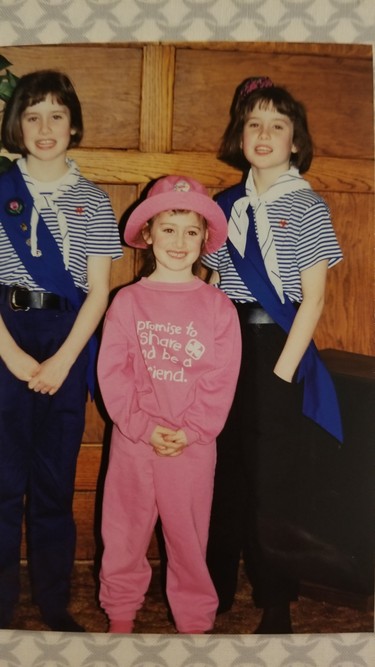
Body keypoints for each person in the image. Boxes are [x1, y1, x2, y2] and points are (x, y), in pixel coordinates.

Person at [203, 76, 343, 634]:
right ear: (239, 136)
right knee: (223, 469)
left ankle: (276, 597)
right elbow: (213, 283)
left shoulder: (306, 207)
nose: (263, 134)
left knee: (272, 477)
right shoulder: (224, 205)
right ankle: (213, 586)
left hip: (276, 346)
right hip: (224, 342)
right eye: (253, 124)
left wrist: (284, 370)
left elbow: (313, 299)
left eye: (277, 126)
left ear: (295, 141)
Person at [0, 70, 123, 631]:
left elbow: (99, 291)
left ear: (74, 126)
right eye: (32, 115)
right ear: (15, 125)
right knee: (2, 481)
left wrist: (65, 360)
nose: (44, 127)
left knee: (53, 481)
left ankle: (53, 601)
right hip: (5, 338)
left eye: (56, 115)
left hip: (68, 341)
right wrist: (13, 357)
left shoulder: (93, 201)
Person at [97, 175, 241, 634]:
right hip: (135, 443)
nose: (179, 241)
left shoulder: (219, 308)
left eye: (191, 231)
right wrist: (141, 426)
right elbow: (112, 374)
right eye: (169, 228)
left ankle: (195, 625)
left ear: (204, 239)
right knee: (123, 533)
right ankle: (120, 616)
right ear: (147, 233)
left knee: (189, 540)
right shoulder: (126, 302)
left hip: (192, 447)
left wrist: (192, 430)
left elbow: (221, 380)